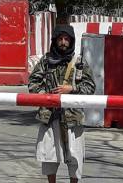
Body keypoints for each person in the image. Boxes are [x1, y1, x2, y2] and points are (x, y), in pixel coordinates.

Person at [28, 24, 96, 183]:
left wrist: (71, 89)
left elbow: (90, 87)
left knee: (75, 157)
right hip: (50, 116)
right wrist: (45, 97)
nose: (63, 42)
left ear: (71, 41)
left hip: (72, 117)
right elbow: (33, 83)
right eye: (60, 39)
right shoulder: (46, 60)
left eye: (66, 39)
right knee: (49, 156)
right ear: (55, 40)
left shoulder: (79, 62)